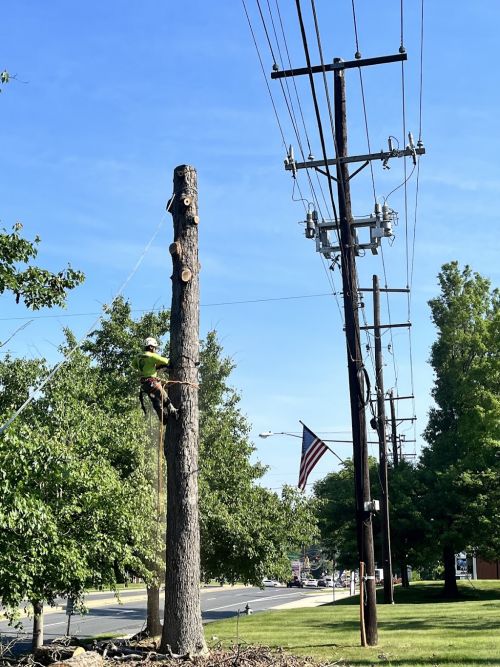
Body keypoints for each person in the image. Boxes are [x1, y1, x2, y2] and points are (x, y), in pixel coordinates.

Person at [132, 336, 178, 424]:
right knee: (164, 398)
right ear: (151, 347)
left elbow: (134, 365)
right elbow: (166, 361)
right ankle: (173, 411)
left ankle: (163, 418)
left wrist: (150, 367)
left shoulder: (138, 356)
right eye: (155, 348)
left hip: (145, 385)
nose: (155, 350)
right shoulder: (152, 356)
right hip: (152, 383)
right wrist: (161, 364)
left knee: (155, 401)